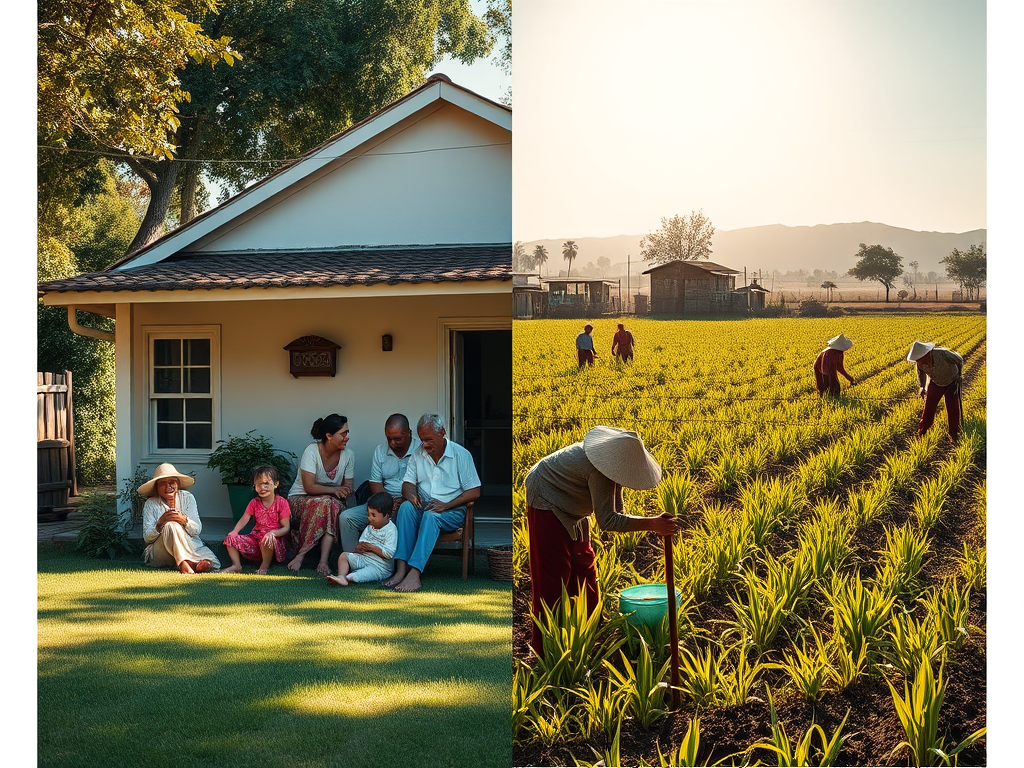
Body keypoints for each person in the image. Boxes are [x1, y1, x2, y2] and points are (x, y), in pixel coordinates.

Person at [524, 426, 677, 656]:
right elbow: (608, 521)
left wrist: (650, 522)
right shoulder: (598, 470)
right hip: (546, 498)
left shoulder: (611, 468)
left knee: (584, 570)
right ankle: (546, 651)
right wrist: (653, 523)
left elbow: (617, 510)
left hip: (574, 508)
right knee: (553, 582)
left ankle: (589, 635)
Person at [384, 414, 482, 593]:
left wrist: (446, 505)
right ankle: (400, 570)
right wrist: (411, 495)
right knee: (406, 507)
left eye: (429, 439)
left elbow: (474, 491)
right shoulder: (418, 454)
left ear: (442, 432)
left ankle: (415, 573)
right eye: (422, 440)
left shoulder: (461, 455)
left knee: (431, 516)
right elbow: (407, 483)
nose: (425, 445)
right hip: (426, 504)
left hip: (452, 509)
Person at [338, 413, 419, 553]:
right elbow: (375, 483)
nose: (392, 443)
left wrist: (404, 500)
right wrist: (388, 503)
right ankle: (352, 562)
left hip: (409, 503)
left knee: (404, 513)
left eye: (397, 439)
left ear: (408, 433)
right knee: (347, 518)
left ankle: (396, 565)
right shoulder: (380, 451)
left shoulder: (420, 450)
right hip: (384, 501)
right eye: (389, 439)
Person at [286, 413, 355, 574]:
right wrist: (334, 490)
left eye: (347, 432)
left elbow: (348, 487)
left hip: (329, 502)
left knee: (330, 505)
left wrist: (337, 492)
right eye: (343, 434)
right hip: (299, 499)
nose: (347, 437)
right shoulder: (312, 451)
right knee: (326, 503)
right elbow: (309, 486)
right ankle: (303, 555)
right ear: (329, 436)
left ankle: (322, 562)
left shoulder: (349, 456)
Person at [140, 463, 220, 574]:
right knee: (170, 525)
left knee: (212, 562)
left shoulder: (187, 498)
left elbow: (197, 530)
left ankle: (188, 562)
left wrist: (184, 520)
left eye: (172, 482)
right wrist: (160, 523)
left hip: (188, 544)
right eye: (163, 483)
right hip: (161, 551)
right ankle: (184, 565)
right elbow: (147, 538)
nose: (168, 486)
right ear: (157, 487)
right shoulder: (151, 503)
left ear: (178, 484)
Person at [222, 465, 291, 574]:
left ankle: (265, 565)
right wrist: (235, 531)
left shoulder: (282, 503)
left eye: (266, 483)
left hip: (273, 541)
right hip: (255, 539)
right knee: (230, 538)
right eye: (258, 484)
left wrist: (272, 533)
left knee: (267, 538)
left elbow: (286, 528)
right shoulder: (254, 503)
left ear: (276, 484)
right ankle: (236, 565)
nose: (262, 487)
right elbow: (245, 517)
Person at [327, 492, 398, 586]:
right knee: (344, 556)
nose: (370, 518)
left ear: (388, 515)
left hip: (379, 567)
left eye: (374, 515)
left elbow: (389, 554)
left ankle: (348, 578)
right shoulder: (370, 527)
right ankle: (341, 576)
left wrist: (372, 548)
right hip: (364, 559)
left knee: (353, 577)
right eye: (368, 514)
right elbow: (362, 543)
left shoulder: (391, 530)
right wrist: (359, 547)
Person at [907, 340, 963, 443]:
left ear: (927, 354)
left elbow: (959, 360)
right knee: (929, 407)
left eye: (921, 359)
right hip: (936, 383)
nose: (919, 363)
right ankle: (922, 431)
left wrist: (958, 375)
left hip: (952, 381)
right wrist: (922, 387)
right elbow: (920, 374)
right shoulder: (920, 363)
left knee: (953, 408)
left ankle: (953, 434)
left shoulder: (942, 353)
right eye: (918, 360)